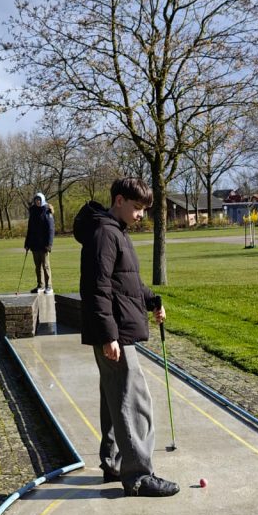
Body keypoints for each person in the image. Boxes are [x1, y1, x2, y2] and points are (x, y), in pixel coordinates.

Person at [73, 177, 179, 497]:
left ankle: (115, 462)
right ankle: (139, 476)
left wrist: (152, 300)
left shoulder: (116, 231)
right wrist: (109, 336)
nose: (141, 215)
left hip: (117, 330)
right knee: (134, 402)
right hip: (114, 332)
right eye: (137, 207)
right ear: (118, 200)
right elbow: (97, 289)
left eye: (144, 209)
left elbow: (127, 283)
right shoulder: (105, 234)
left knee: (114, 397)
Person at [25, 192, 55, 293]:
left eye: (39, 200)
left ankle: (49, 286)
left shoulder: (47, 211)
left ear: (42, 200)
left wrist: (49, 244)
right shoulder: (33, 212)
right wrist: (27, 243)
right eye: (36, 200)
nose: (37, 201)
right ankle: (40, 285)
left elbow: (51, 229)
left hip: (44, 245)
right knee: (37, 266)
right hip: (34, 244)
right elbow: (30, 229)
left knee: (45, 266)